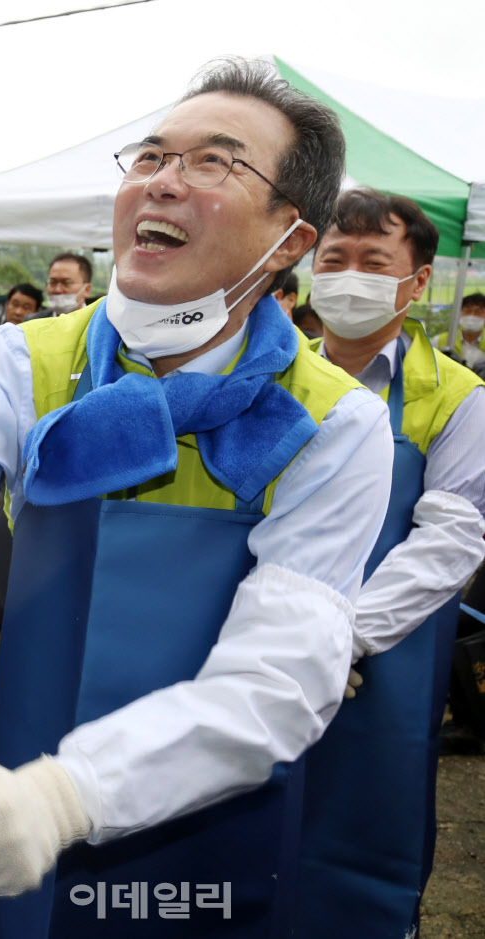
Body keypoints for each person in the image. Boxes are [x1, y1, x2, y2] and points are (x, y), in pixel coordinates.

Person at [0, 58, 394, 938]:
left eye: (215, 163)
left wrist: (67, 795)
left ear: (288, 242)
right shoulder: (25, 360)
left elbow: (282, 671)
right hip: (19, 793)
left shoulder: (336, 421)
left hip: (210, 811)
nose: (162, 180)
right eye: (151, 156)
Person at [299, 187, 485, 938]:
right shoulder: (267, 379)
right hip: (255, 641)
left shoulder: (458, 396)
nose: (347, 277)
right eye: (332, 260)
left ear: (417, 282)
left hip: (380, 656)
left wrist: (340, 635)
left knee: (362, 811)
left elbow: (451, 540)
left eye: (373, 262)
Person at [432, 291, 485, 371]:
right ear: (459, 313)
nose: (471, 316)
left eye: (478, 312)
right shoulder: (440, 341)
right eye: (467, 311)